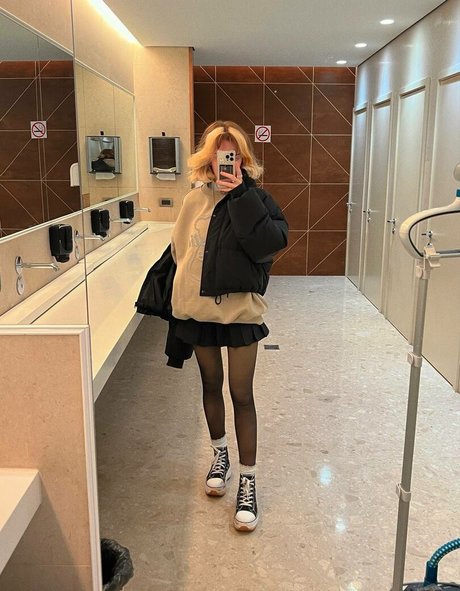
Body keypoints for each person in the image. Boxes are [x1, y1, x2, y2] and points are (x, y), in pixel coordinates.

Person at [170, 120, 288, 532]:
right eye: (219, 153)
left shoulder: (258, 198)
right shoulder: (193, 200)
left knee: (241, 393)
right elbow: (180, 250)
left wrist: (239, 195)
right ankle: (220, 455)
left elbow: (268, 245)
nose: (226, 160)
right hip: (200, 309)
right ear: (208, 157)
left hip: (240, 312)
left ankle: (248, 481)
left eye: (232, 153)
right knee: (210, 384)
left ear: (242, 158)